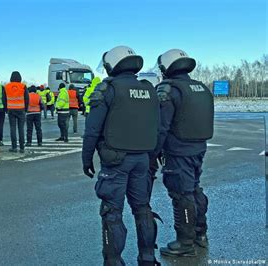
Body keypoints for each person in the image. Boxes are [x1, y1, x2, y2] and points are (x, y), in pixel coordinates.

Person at [82, 46, 160, 266]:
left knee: (112, 212)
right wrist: (152, 155)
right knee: (142, 208)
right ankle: (147, 257)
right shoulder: (148, 89)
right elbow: (158, 126)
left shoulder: (107, 89)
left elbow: (92, 130)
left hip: (115, 160)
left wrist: (86, 158)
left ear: (112, 64)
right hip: (142, 159)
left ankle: (114, 261)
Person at [154, 49, 214, 257]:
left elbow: (161, 127)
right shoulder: (201, 87)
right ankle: (200, 233)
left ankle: (185, 242)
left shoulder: (169, 89)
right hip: (198, 148)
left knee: (182, 194)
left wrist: (154, 153)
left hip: (177, 151)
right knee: (194, 189)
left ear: (167, 67)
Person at [5, 71, 29, 153]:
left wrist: (6, 109)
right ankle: (22, 147)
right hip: (21, 109)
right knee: (21, 129)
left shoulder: (7, 86)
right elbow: (27, 98)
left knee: (13, 128)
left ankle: (14, 147)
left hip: (11, 109)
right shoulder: (23, 86)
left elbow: (4, 99)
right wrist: (25, 109)